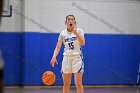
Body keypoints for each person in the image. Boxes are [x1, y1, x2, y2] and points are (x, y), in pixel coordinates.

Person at [50, 15, 85, 93]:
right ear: (66, 22)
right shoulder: (62, 33)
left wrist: (76, 34)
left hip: (77, 58)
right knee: (66, 84)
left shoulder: (79, 31)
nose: (70, 21)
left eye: (72, 19)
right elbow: (58, 47)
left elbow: (83, 43)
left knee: (78, 83)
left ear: (74, 22)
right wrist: (54, 56)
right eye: (68, 19)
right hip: (66, 58)